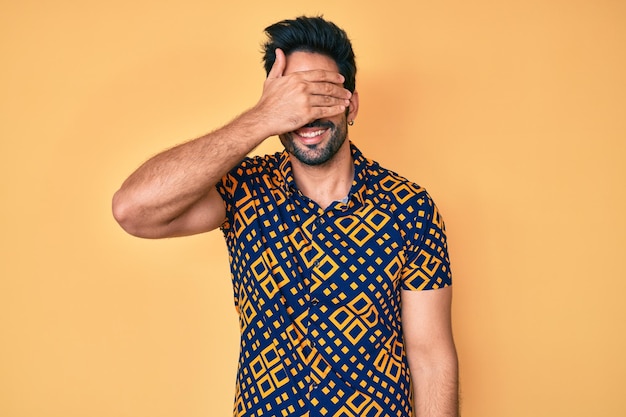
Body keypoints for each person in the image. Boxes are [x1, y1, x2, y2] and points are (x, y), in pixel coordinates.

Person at [112, 15, 458, 417]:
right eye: (294, 98)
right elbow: (133, 210)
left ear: (353, 105)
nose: (307, 114)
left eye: (322, 94)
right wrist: (261, 118)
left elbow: (432, 357)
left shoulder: (409, 208)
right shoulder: (243, 191)